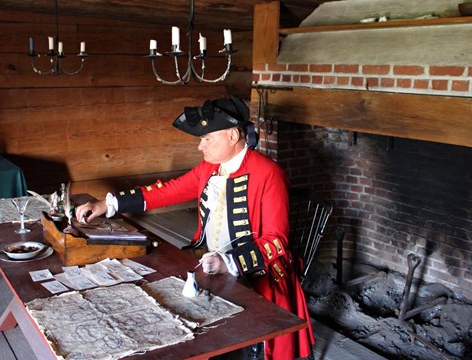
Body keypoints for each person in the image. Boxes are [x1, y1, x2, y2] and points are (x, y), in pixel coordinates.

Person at [75, 95, 314, 360]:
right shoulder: (208, 169)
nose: (201, 146)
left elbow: (277, 241)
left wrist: (229, 262)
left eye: (207, 138)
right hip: (207, 263)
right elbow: (166, 191)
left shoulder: (269, 173)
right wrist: (107, 205)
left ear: (233, 135)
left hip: (256, 274)